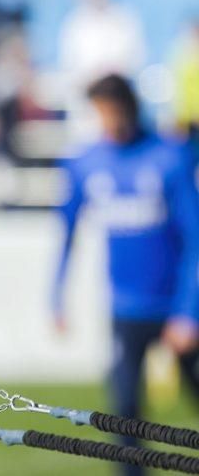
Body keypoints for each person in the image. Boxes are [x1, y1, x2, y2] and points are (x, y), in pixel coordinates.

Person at [52, 74, 199, 476]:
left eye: (112, 110)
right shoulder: (86, 162)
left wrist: (189, 313)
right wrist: (56, 296)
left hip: (176, 309)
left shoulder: (170, 157)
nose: (107, 120)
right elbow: (66, 230)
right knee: (125, 416)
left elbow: (195, 239)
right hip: (125, 309)